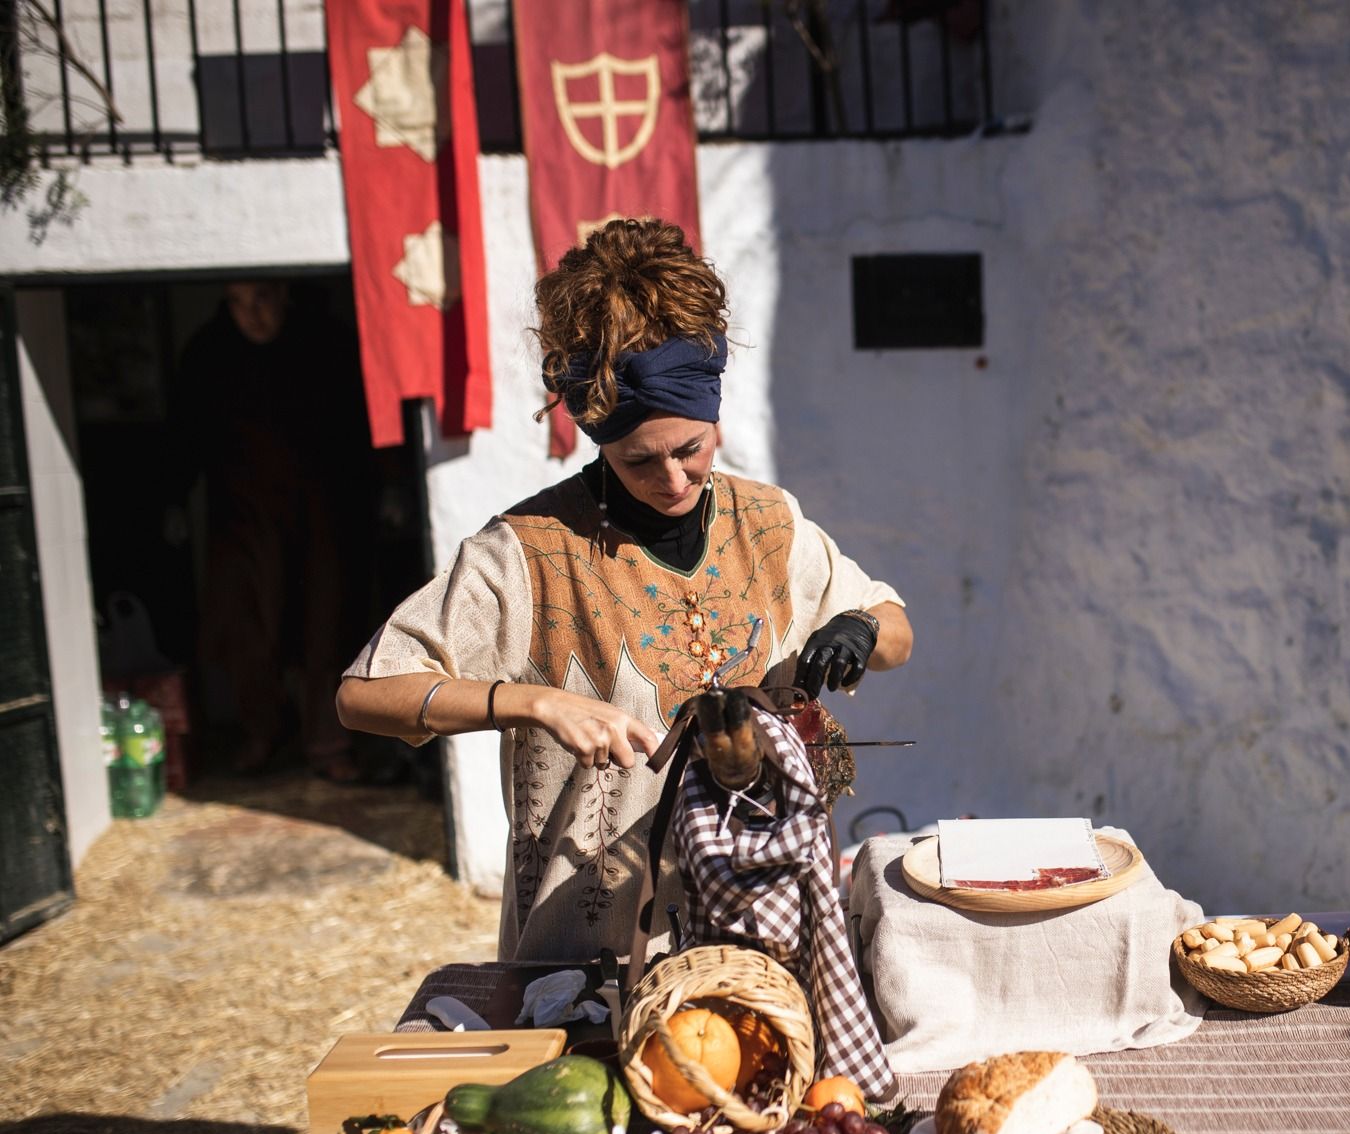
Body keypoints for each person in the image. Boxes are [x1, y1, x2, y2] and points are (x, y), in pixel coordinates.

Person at [335, 219, 913, 961]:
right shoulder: (528, 552)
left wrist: (861, 627)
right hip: (590, 954)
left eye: (691, 449)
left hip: (766, 943)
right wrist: (531, 702)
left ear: (715, 420)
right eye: (639, 461)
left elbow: (895, 631)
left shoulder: (768, 522)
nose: (672, 479)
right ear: (599, 439)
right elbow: (365, 693)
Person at [174, 279, 368, 782]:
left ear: (283, 292)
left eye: (260, 298)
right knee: (245, 626)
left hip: (322, 507)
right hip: (243, 512)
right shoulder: (209, 353)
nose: (251, 315)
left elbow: (358, 425)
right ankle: (262, 729)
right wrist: (172, 498)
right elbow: (186, 431)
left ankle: (329, 741)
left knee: (326, 621)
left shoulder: (326, 344)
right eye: (237, 303)